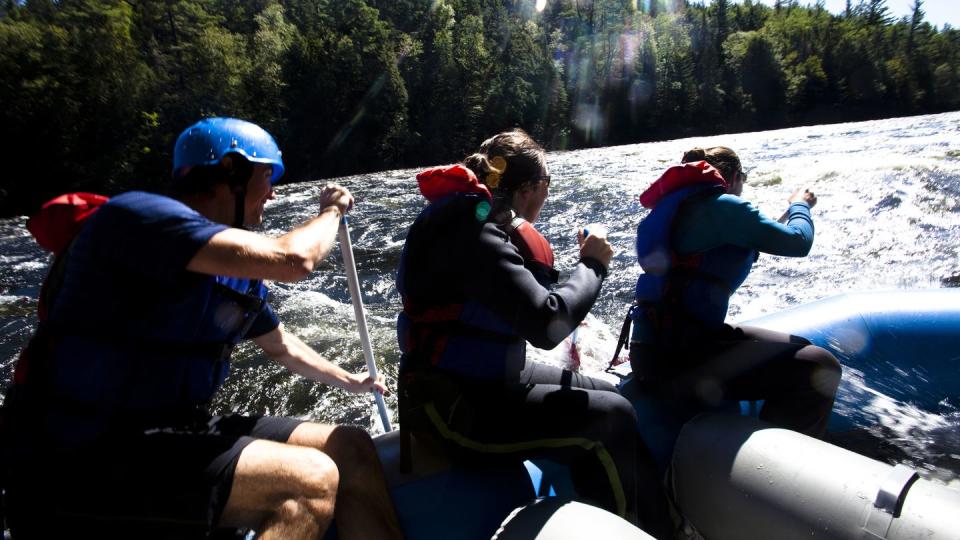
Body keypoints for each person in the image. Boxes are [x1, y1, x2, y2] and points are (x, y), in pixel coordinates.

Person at [1, 118, 403, 539]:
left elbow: (280, 345)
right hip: (78, 453)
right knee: (308, 482)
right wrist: (331, 211)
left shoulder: (231, 269)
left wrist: (353, 382)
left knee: (351, 447)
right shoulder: (138, 219)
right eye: (268, 176)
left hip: (168, 431)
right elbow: (294, 260)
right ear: (231, 171)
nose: (274, 192)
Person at [396, 129, 671, 538]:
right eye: (546, 186)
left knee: (612, 393)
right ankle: (648, 529)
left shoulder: (471, 221)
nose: (546, 196)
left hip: (481, 384)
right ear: (529, 189)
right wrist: (592, 264)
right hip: (455, 412)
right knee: (613, 418)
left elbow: (524, 306)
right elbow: (548, 324)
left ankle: (653, 519)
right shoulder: (477, 236)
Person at [627, 146, 842, 437]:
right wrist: (799, 205)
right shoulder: (725, 206)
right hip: (682, 358)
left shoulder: (677, 209)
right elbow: (799, 241)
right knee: (820, 366)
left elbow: (737, 243)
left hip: (656, 350)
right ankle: (774, 463)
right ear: (736, 177)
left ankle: (768, 433)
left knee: (803, 347)